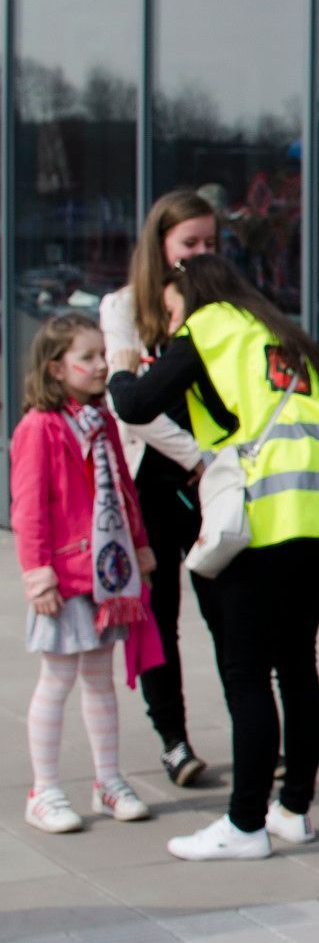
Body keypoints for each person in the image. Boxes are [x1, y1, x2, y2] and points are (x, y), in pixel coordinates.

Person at [106, 254, 319, 860]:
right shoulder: (279, 332)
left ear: (191, 297)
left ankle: (244, 823)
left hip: (269, 508)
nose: (171, 322)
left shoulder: (209, 324)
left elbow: (138, 405)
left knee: (245, 670)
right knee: (297, 661)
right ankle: (293, 810)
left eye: (172, 309)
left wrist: (122, 369)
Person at [12, 313, 160, 834]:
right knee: (56, 680)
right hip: (66, 577)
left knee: (99, 680)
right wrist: (38, 575)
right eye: (88, 358)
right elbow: (28, 510)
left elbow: (124, 492)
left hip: (108, 576)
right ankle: (44, 789)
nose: (102, 365)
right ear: (56, 368)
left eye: (102, 355)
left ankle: (107, 780)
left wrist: (139, 547)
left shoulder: (102, 424)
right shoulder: (38, 428)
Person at [100, 189, 217, 787]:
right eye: (188, 243)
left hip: (209, 484)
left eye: (208, 244)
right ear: (160, 246)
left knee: (230, 613)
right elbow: (132, 410)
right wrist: (199, 455)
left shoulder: (218, 309)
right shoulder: (121, 308)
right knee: (160, 615)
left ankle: (261, 738)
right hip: (152, 479)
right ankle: (173, 740)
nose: (198, 254)